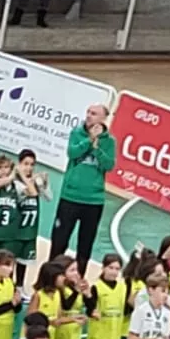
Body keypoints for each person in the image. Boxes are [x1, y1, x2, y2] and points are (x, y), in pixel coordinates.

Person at [49, 103, 117, 276]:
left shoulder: (109, 141)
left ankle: (78, 281)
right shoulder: (76, 133)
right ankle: (51, 277)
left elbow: (109, 165)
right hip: (70, 196)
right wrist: (89, 141)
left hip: (93, 200)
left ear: (103, 118)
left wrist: (97, 149)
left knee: (85, 245)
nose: (88, 115)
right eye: (88, 112)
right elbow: (72, 153)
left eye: (93, 113)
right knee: (59, 242)